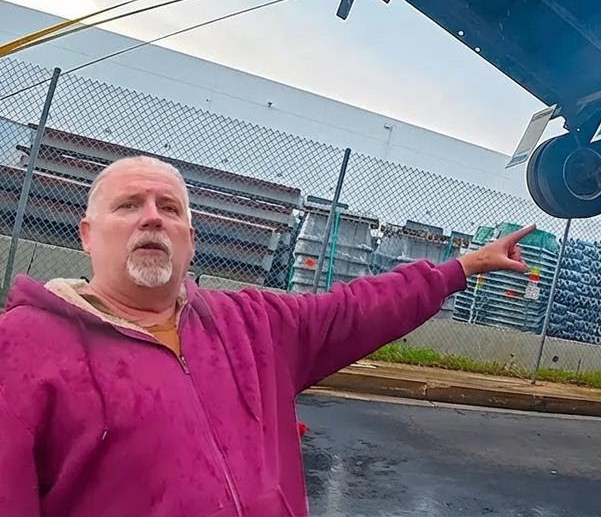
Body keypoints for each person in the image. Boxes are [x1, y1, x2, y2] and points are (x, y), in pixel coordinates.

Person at [0, 155, 534, 516]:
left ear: (191, 239)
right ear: (88, 237)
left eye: (170, 209)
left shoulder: (251, 326)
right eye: (128, 206)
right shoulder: (23, 348)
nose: (152, 219)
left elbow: (360, 309)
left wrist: (463, 267)